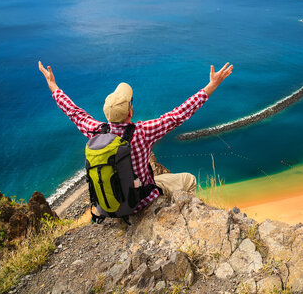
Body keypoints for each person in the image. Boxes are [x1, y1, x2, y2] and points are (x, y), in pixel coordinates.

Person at [38, 61, 233, 213]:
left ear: (107, 114)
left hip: (109, 205)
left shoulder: (96, 131)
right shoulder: (142, 131)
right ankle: (183, 214)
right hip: (141, 202)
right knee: (189, 180)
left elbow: (73, 112)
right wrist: (213, 84)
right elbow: (178, 114)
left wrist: (53, 85)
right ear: (130, 111)